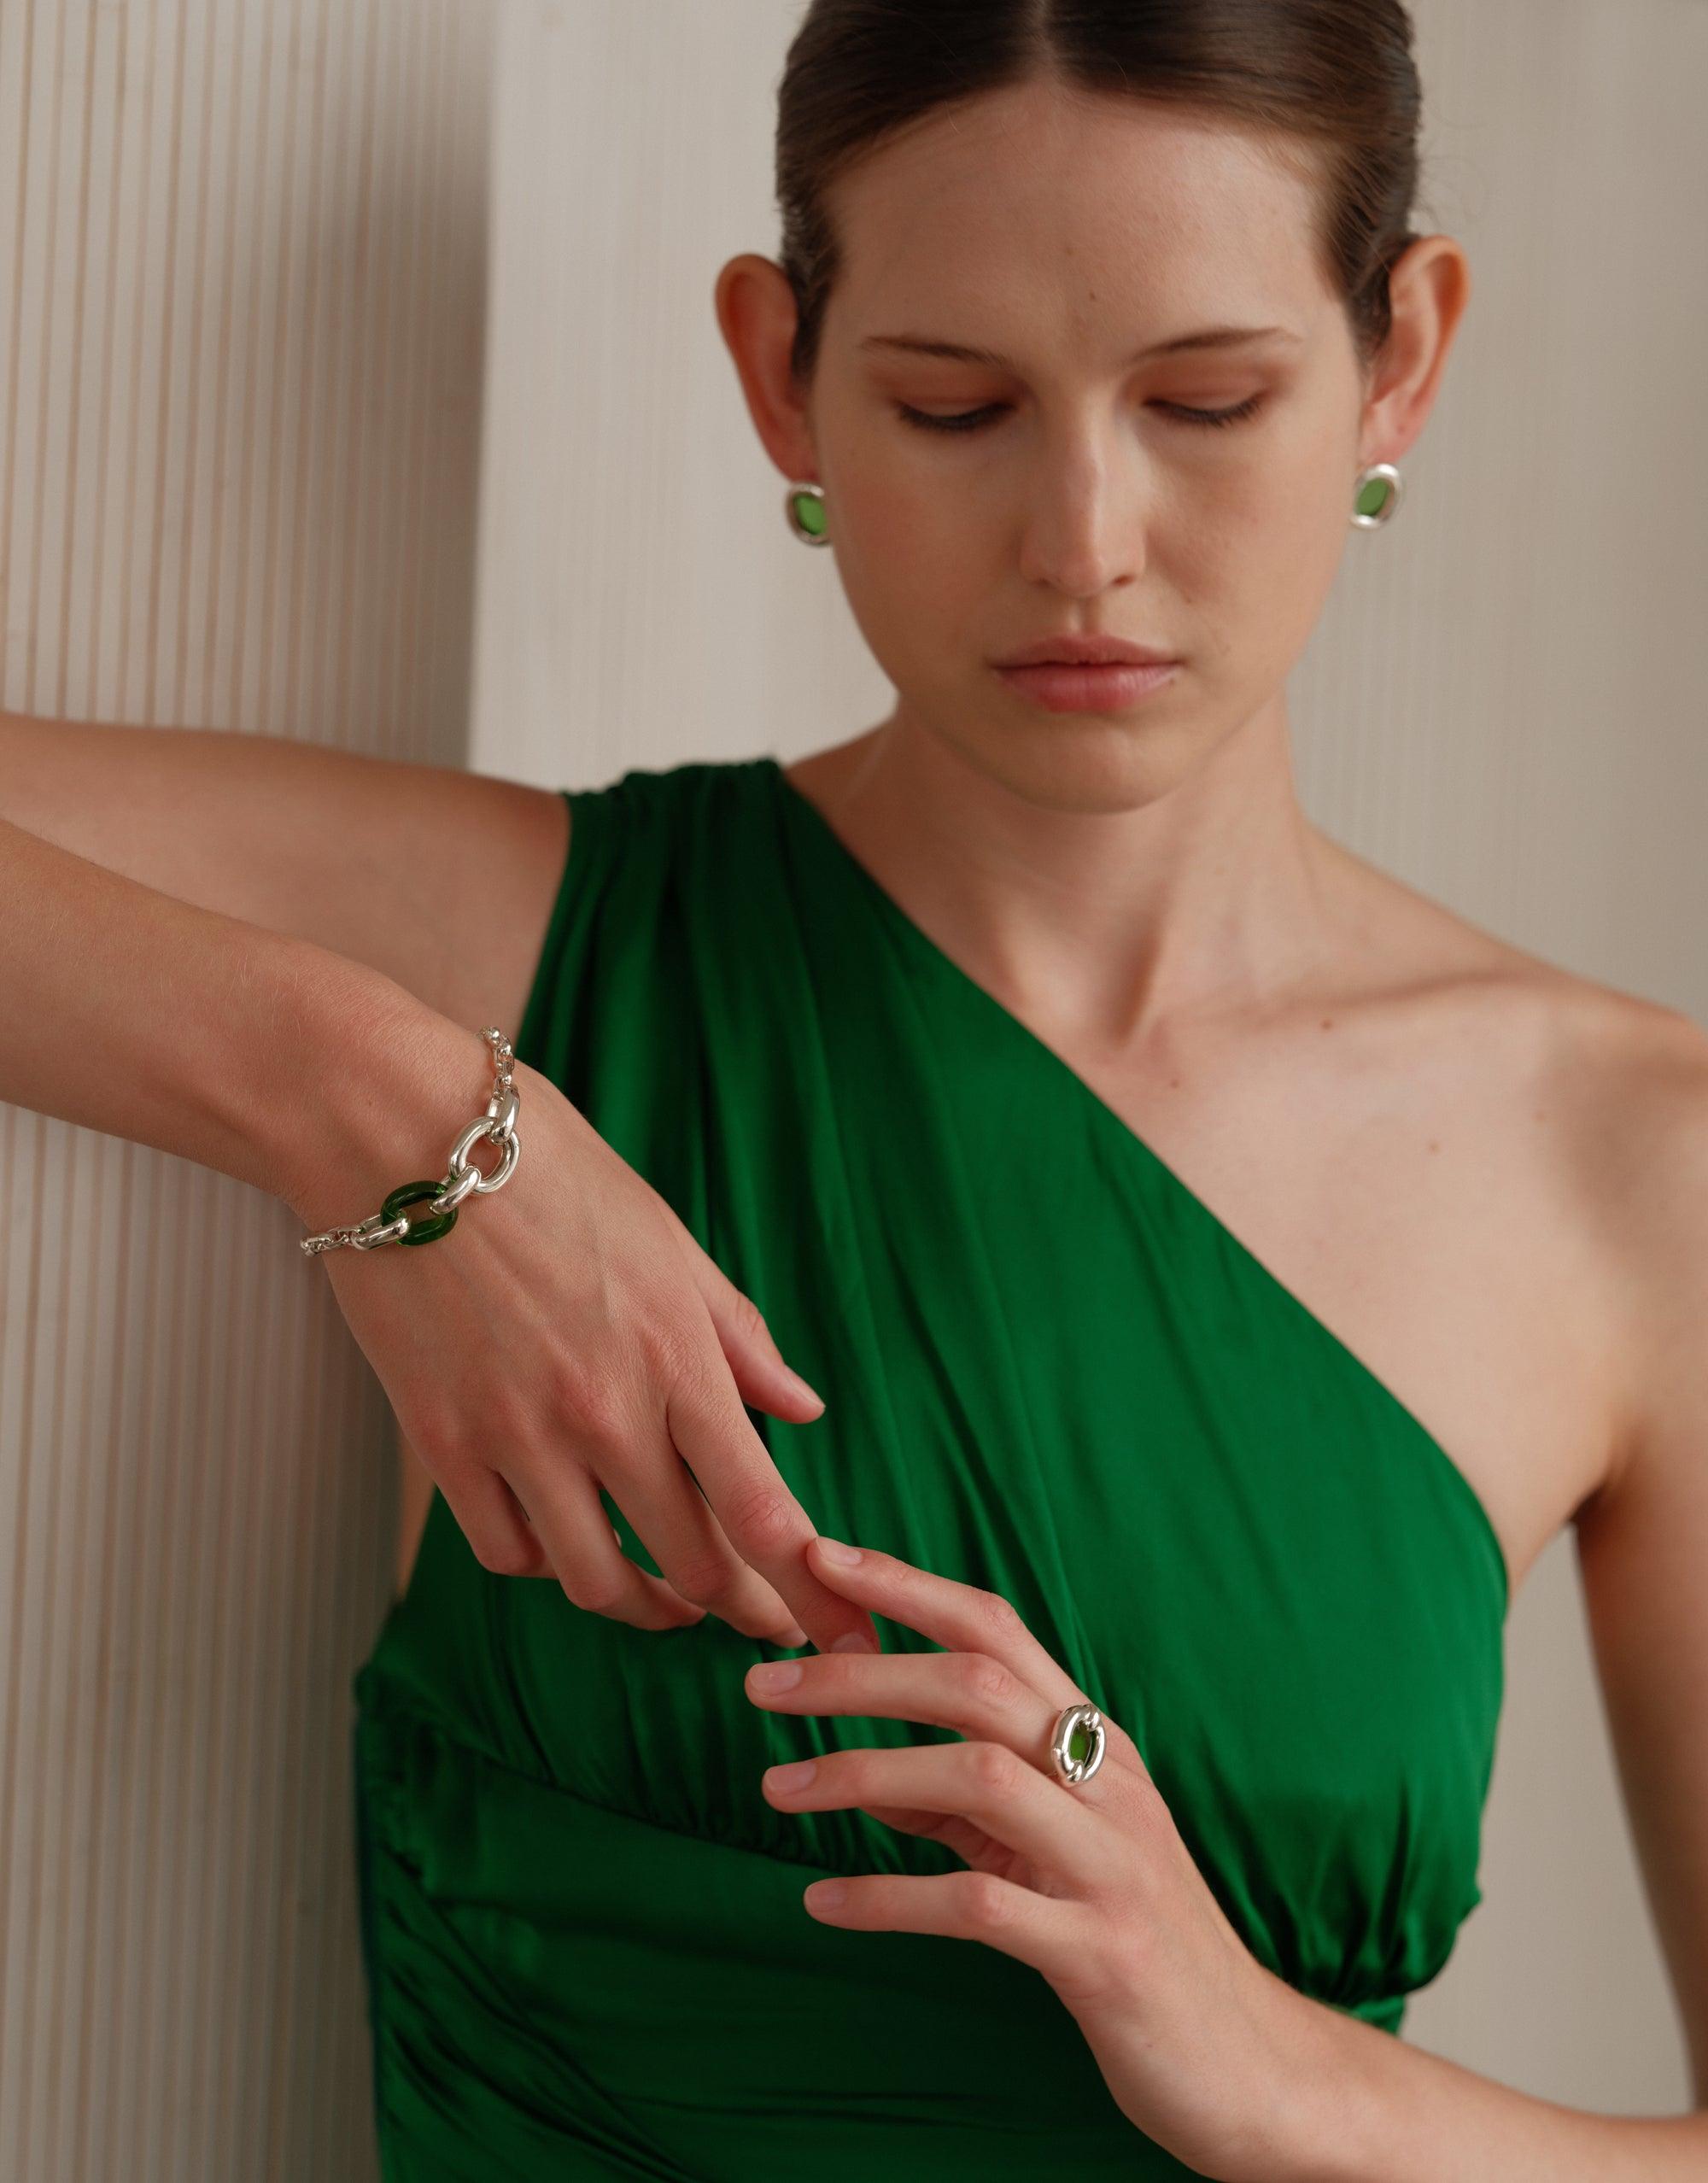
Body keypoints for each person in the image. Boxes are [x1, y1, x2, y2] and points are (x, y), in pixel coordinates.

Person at [5, 0, 1707, 2175]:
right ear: (779, 375)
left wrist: (1287, 2076)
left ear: (1403, 356)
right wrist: (381, 1103)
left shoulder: (1628, 1162)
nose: (1083, 539)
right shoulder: (535, 958)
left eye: (1205, 400)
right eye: (953, 405)